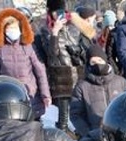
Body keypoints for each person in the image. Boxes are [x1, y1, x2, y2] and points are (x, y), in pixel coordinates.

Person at [40, 0, 96, 133]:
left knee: (81, 113)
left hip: (78, 73)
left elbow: (87, 47)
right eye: (55, 12)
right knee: (63, 117)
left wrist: (78, 51)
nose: (58, 15)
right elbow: (51, 54)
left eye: (61, 12)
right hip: (61, 78)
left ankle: (83, 139)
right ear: (50, 12)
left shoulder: (74, 26)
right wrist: (54, 32)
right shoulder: (46, 30)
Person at [0, 8, 52, 121]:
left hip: (30, 94)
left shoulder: (28, 47)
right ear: (3, 30)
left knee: (34, 128)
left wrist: (45, 95)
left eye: (15, 28)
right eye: (9, 29)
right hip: (9, 96)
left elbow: (40, 72)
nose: (12, 31)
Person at [70, 44, 126, 141]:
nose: (97, 64)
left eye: (100, 60)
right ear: (88, 64)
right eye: (93, 62)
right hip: (95, 138)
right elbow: (76, 115)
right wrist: (89, 134)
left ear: (105, 61)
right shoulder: (82, 87)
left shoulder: (121, 82)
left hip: (121, 135)